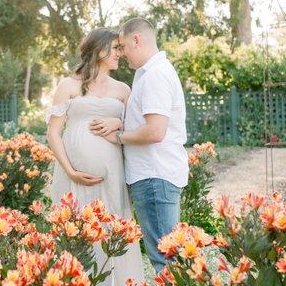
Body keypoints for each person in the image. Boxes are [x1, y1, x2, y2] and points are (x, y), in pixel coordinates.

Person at [45, 28, 145, 284]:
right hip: (72, 178)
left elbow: (137, 128)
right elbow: (53, 133)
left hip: (112, 175)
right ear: (99, 49)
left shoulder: (123, 90)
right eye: (115, 49)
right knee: (76, 231)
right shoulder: (68, 85)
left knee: (111, 230)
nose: (120, 54)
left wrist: (117, 122)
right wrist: (69, 170)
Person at [91, 18, 188, 273]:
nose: (121, 54)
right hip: (154, 176)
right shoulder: (150, 73)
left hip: (154, 177)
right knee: (166, 256)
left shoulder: (155, 75)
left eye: (122, 46)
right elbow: (143, 121)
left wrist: (119, 136)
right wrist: (119, 121)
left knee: (164, 260)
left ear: (137, 40)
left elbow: (155, 131)